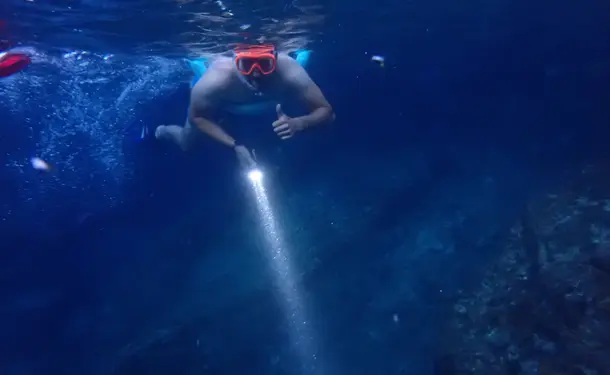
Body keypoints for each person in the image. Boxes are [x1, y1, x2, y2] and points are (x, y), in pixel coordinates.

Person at [155, 44, 335, 169]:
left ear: (274, 59)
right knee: (187, 142)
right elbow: (198, 117)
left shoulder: (289, 70)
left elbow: (326, 110)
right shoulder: (217, 78)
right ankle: (165, 131)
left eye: (264, 64)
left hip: (257, 99)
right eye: (246, 65)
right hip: (224, 101)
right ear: (235, 62)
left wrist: (299, 123)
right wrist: (235, 145)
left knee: (327, 122)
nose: (255, 73)